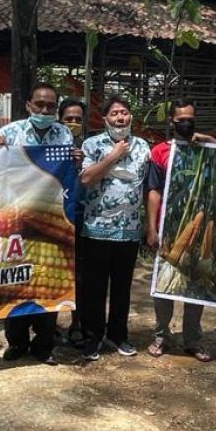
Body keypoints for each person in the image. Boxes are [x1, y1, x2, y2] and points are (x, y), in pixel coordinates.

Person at [0, 82, 74, 365]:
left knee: (46, 282)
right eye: (40, 104)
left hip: (50, 218)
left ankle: (44, 343)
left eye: (51, 106)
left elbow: (66, 176)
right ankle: (16, 342)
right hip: (15, 220)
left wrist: (75, 160)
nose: (45, 110)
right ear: (28, 105)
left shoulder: (64, 134)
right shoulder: (9, 133)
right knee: (16, 283)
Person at [78, 95, 150, 361]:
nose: (121, 118)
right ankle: (91, 337)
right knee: (94, 287)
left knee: (122, 286)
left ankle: (118, 334)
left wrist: (149, 225)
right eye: (115, 113)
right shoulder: (92, 144)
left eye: (125, 113)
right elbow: (86, 178)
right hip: (97, 227)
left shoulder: (143, 147)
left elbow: (147, 186)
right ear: (105, 118)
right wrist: (114, 156)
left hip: (129, 229)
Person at [145, 98, 216, 362]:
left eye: (190, 119)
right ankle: (162, 335)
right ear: (171, 122)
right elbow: (153, 191)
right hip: (168, 226)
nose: (186, 124)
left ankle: (193, 339)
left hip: (197, 228)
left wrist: (208, 139)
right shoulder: (160, 152)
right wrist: (151, 228)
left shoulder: (204, 149)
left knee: (195, 285)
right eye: (181, 120)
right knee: (164, 285)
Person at [58, 97, 88, 348]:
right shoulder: (51, 148)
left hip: (81, 218)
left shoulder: (91, 147)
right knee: (53, 273)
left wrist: (81, 165)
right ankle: (50, 327)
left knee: (80, 276)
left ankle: (77, 325)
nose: (74, 123)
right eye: (69, 119)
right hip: (55, 218)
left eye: (78, 119)